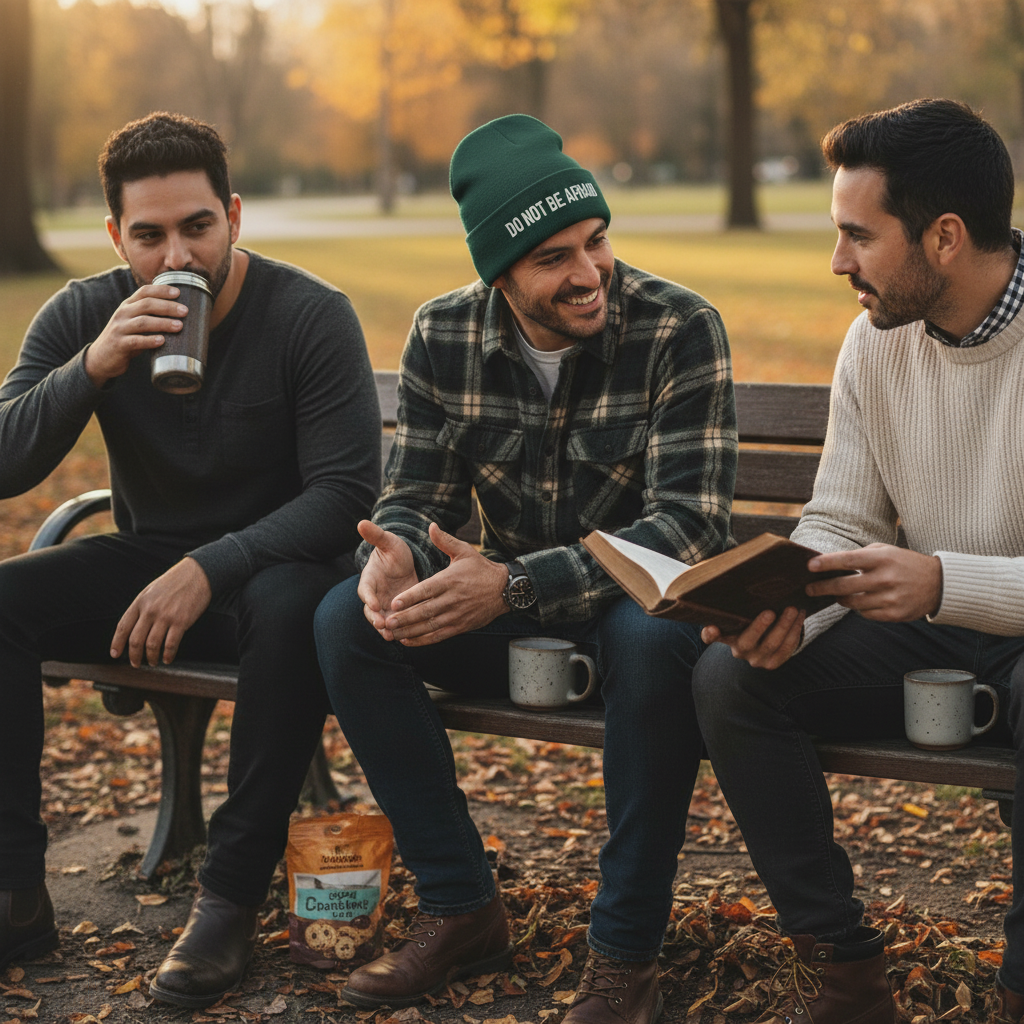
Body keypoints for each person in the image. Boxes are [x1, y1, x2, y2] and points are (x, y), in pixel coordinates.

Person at [313, 113, 737, 1024]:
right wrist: (391, 558)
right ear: (498, 274)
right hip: (505, 609)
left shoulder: (679, 328)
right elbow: (413, 499)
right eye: (553, 258)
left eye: (595, 240)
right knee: (345, 620)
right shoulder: (444, 334)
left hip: (626, 607)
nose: (588, 273)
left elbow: (691, 527)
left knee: (652, 634)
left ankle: (626, 958)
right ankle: (462, 907)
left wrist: (513, 581)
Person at [0, 112, 381, 1009]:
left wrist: (215, 564)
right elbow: (7, 461)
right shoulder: (85, 313)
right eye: (150, 234)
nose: (178, 254)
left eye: (197, 227)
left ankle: (229, 900)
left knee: (294, 605)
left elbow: (344, 497)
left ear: (235, 216)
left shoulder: (310, 315)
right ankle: (15, 893)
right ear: (116, 237)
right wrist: (91, 366)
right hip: (147, 562)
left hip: (279, 572)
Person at [692, 97, 1024, 1024]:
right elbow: (840, 518)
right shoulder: (876, 342)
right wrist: (786, 599)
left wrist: (946, 580)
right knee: (731, 679)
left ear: (945, 236)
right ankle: (842, 972)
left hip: (996, 622)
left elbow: (937, 577)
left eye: (857, 236)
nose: (838, 263)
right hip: (921, 626)